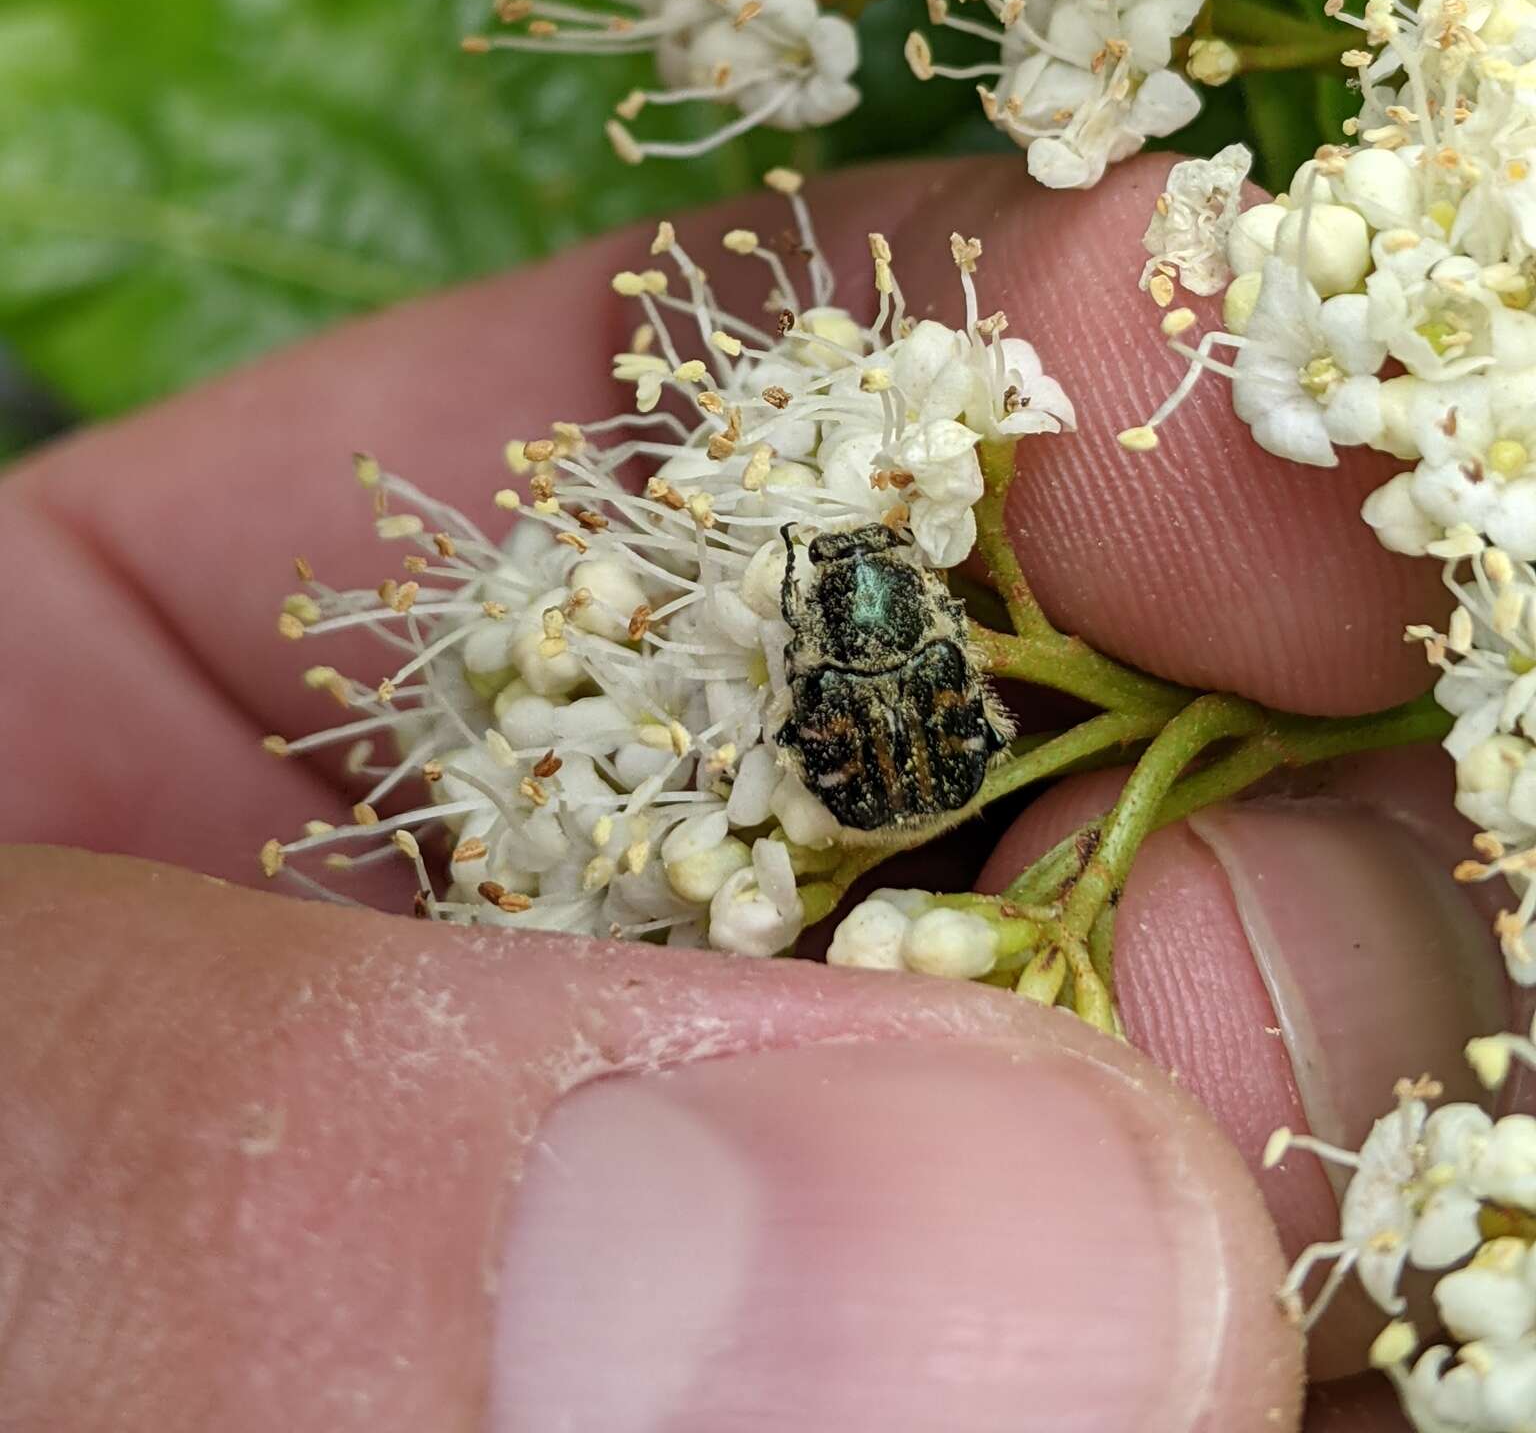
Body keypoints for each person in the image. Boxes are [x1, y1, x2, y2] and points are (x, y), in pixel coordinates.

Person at [0, 156, 1489, 1432]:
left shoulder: (869, 595)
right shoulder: (877, 608)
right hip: (871, 771)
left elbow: (877, 678)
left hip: (877, 763)